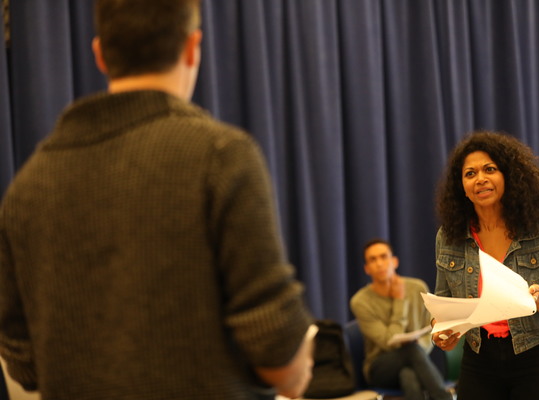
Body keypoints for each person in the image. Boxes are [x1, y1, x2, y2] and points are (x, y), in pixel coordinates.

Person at [0, 1, 315, 399]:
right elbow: (277, 352)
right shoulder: (220, 155)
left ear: (100, 53)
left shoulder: (27, 187)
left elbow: (24, 364)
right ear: (192, 47)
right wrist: (297, 362)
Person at [432, 130, 539, 400]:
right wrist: (440, 333)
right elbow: (443, 305)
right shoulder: (449, 236)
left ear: (508, 176)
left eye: (490, 169)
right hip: (479, 359)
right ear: (461, 187)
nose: (481, 179)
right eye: (470, 174)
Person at [350, 238, 453, 400]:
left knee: (408, 375)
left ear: (394, 261)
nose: (379, 263)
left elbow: (430, 329)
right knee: (411, 351)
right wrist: (400, 300)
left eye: (384, 257)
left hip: (417, 362)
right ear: (367, 269)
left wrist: (421, 347)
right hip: (381, 367)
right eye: (373, 260)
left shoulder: (417, 287)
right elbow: (388, 342)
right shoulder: (360, 301)